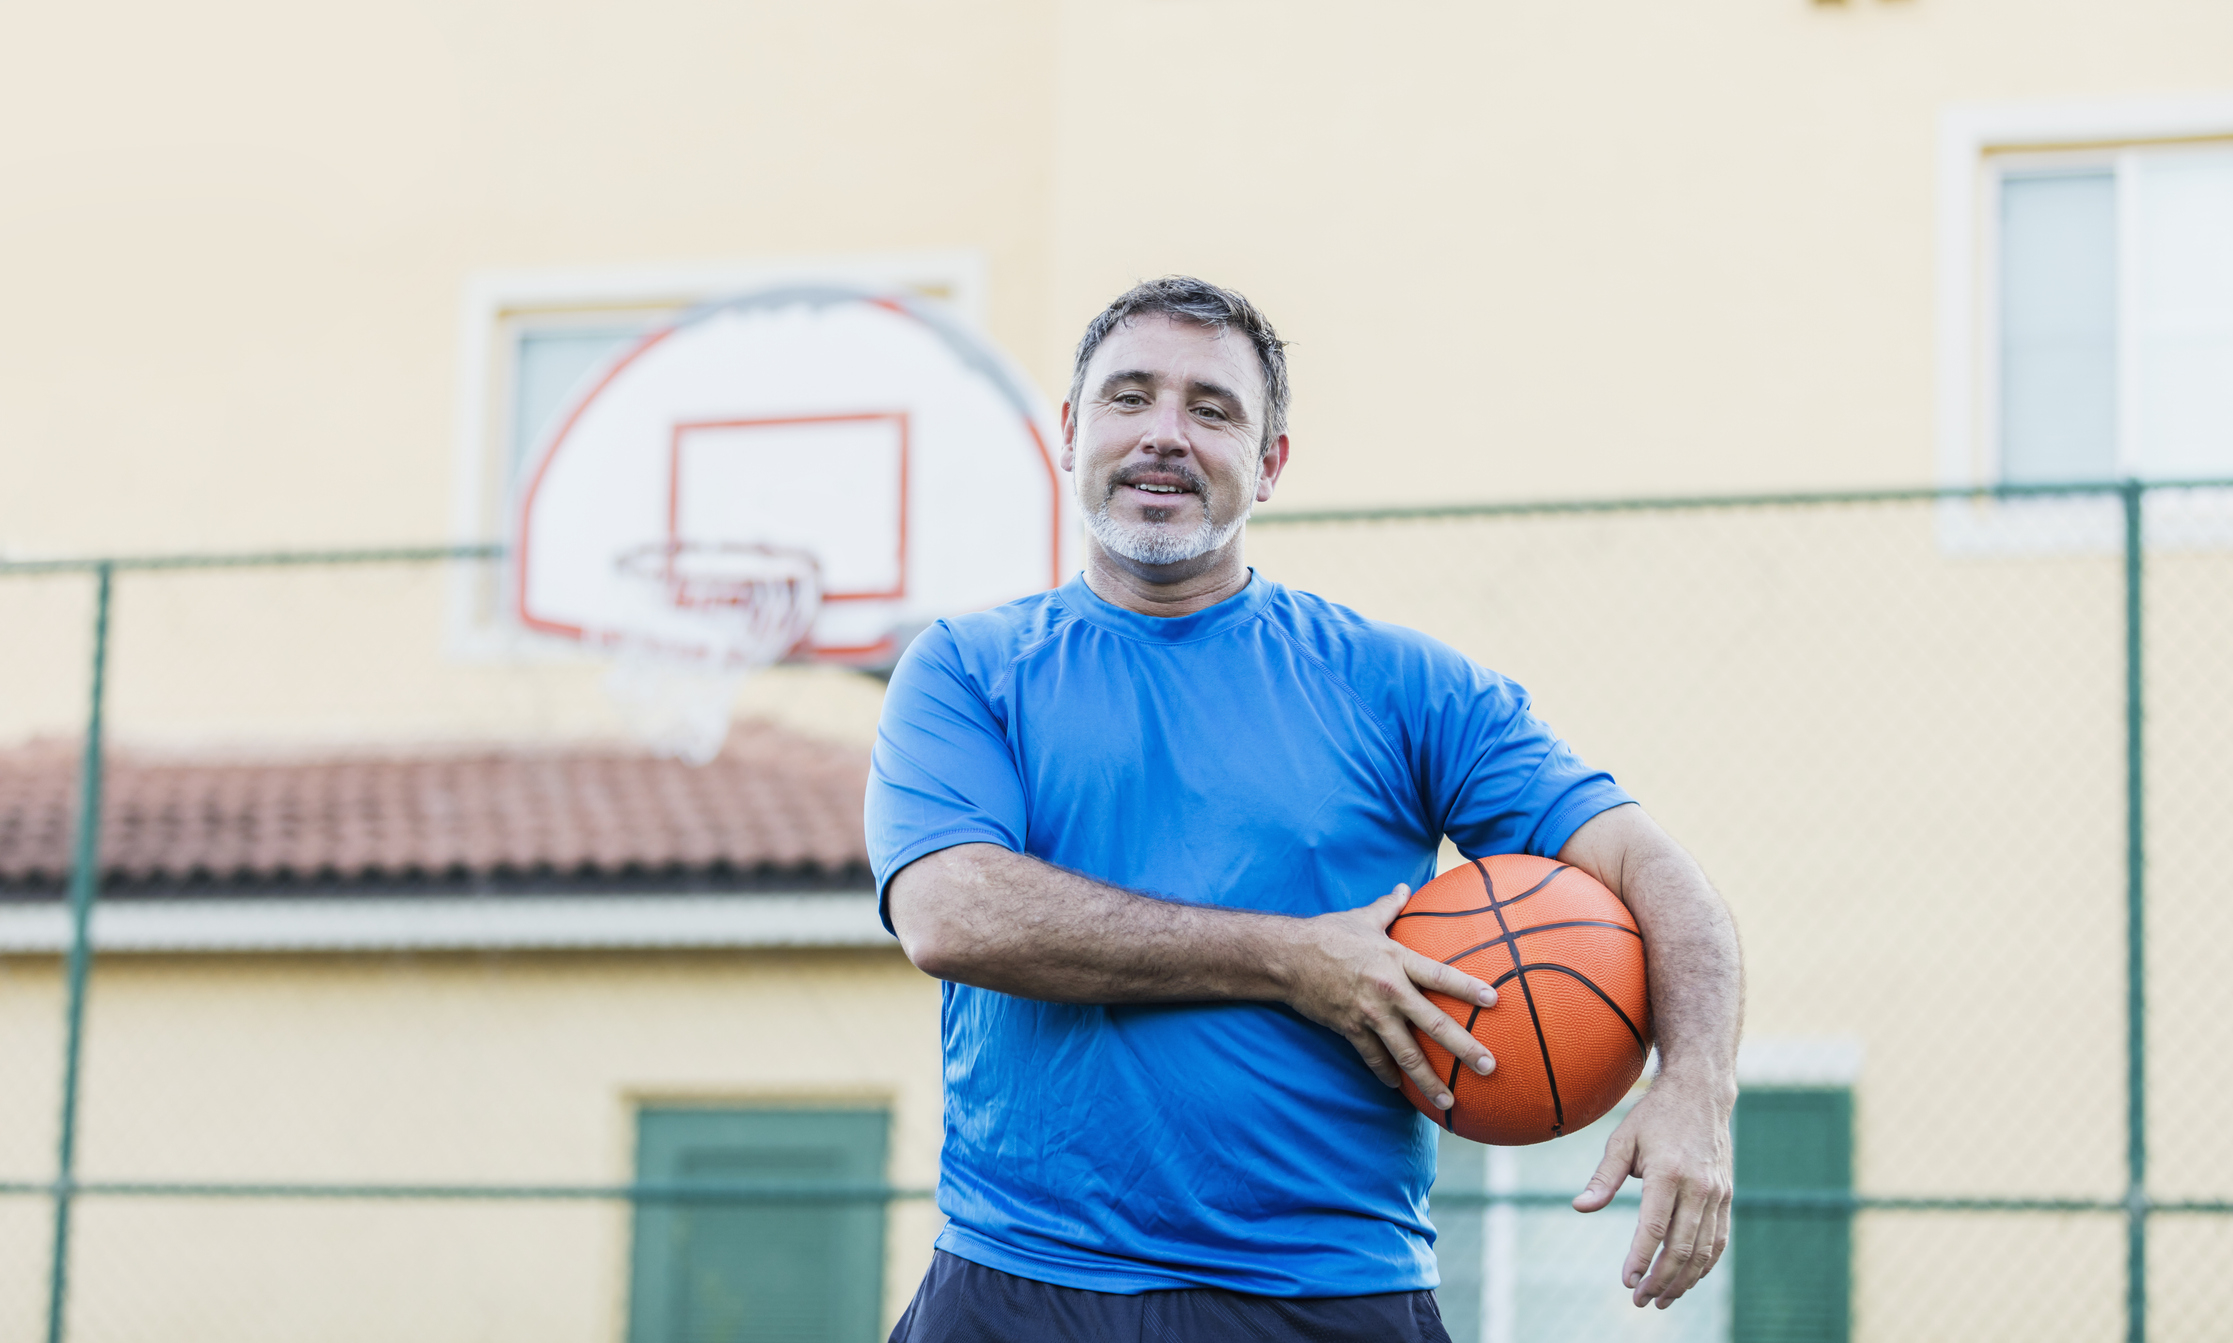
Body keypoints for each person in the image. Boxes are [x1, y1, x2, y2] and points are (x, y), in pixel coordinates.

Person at [868, 276, 1743, 1342]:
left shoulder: (1401, 685)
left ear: (1270, 463)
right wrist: (1293, 957)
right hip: (1022, 1278)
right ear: (1070, 431)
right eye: (1129, 397)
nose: (1163, 436)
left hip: (1325, 1290)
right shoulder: (968, 669)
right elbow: (951, 914)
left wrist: (1695, 1083)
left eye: (1212, 408)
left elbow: (1656, 874)